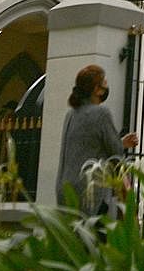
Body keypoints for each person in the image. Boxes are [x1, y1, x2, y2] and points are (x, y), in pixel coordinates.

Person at [57, 64, 139, 216]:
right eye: (105, 81)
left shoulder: (71, 115)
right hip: (91, 191)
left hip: (65, 189)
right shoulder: (101, 113)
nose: (107, 84)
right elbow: (115, 152)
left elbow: (88, 146)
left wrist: (121, 142)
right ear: (97, 89)